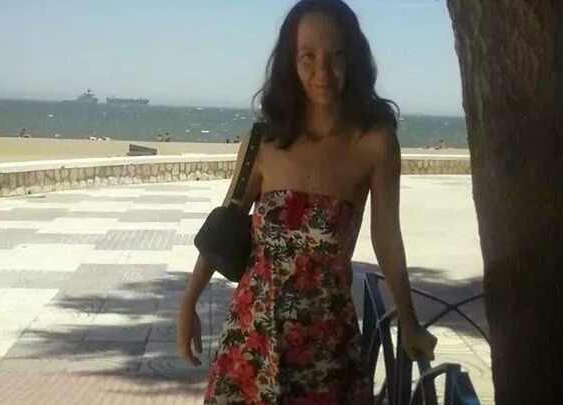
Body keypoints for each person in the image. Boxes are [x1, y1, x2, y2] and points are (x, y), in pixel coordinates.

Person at [178, 1, 437, 403]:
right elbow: (225, 227)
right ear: (290, 61)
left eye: (336, 55)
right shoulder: (264, 141)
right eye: (307, 56)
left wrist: (409, 320)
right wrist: (188, 302)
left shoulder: (375, 143)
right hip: (251, 338)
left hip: (327, 345)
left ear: (353, 58)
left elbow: (387, 238)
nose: (322, 71)